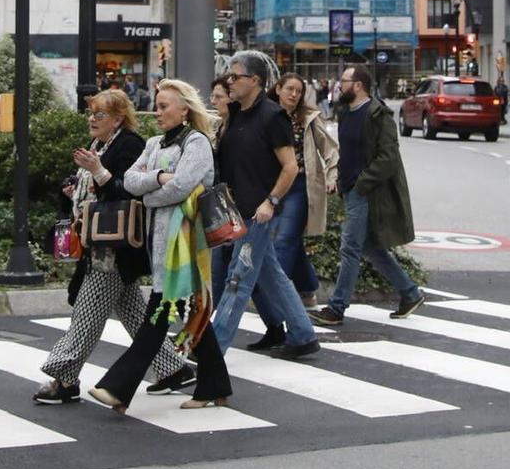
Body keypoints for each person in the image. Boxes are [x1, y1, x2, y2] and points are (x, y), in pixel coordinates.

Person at [34, 89, 191, 404]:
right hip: (101, 242)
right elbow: (95, 189)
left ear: (118, 118)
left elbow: (128, 191)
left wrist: (96, 173)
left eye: (100, 114)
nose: (92, 119)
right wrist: (74, 191)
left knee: (86, 312)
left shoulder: (130, 144)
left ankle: (64, 377)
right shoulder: (101, 144)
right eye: (91, 113)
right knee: (133, 311)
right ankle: (173, 368)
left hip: (115, 248)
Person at [88, 80, 232, 412]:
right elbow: (129, 180)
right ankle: (215, 385)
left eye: (165, 105)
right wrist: (157, 179)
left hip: (185, 244)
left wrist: (151, 189)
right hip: (161, 244)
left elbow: (181, 186)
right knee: (189, 312)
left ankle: (118, 388)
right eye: (157, 104)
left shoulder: (196, 143)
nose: (158, 111)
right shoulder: (154, 143)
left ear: (184, 109)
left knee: (159, 314)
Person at [209, 50, 320, 358]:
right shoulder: (236, 115)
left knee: (238, 278)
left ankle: (213, 350)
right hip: (236, 210)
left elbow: (290, 167)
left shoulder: (272, 116)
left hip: (258, 212)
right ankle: (303, 334)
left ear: (254, 80)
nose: (229, 81)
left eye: (235, 76)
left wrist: (270, 202)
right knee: (271, 274)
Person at [312, 63, 425, 323]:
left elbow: (389, 157)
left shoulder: (377, 114)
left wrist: (362, 182)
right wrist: (340, 177)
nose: (340, 85)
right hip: (351, 189)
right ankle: (409, 292)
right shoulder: (345, 111)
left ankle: (337, 308)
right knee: (370, 247)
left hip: (366, 191)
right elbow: (347, 152)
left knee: (350, 247)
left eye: (345, 81)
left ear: (359, 85)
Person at [255, 73, 336, 326]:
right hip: (271, 185)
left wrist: (332, 175)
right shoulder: (264, 115)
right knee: (288, 241)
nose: (293, 94)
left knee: (285, 239)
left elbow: (330, 149)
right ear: (277, 89)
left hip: (299, 184)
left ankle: (276, 299)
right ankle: (308, 288)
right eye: (289, 89)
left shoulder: (308, 119)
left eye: (298, 91)